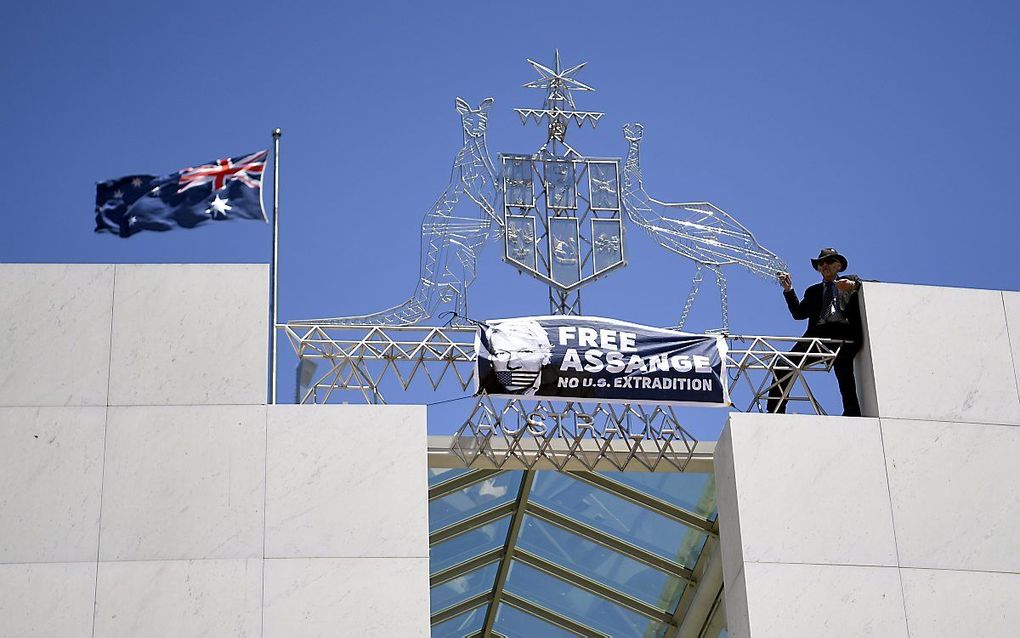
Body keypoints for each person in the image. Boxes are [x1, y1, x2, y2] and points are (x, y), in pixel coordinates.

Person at [768, 248, 863, 416]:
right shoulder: (813, 291)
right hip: (818, 336)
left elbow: (873, 286)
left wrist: (853, 286)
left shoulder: (852, 282)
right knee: (783, 364)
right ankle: (775, 412)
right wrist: (788, 290)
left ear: (839, 266)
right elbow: (799, 313)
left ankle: (852, 413)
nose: (824, 265)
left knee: (844, 373)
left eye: (829, 262)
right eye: (821, 263)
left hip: (844, 336)